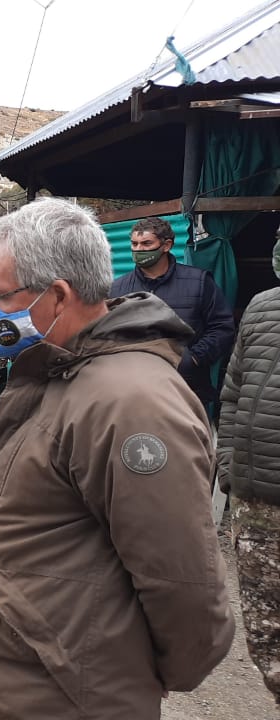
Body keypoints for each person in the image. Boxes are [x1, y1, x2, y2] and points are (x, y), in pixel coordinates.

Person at [0, 198, 234, 719]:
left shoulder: (130, 402)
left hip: (72, 695)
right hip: (33, 687)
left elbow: (182, 582)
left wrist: (131, 674)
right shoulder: (57, 372)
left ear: (58, 295)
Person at [216, 234, 280, 707]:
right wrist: (228, 464)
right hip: (255, 499)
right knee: (266, 631)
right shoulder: (261, 307)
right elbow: (234, 391)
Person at [110, 216, 234, 415]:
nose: (139, 249)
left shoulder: (198, 282)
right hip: (133, 392)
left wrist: (193, 358)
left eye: (146, 243)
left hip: (186, 390)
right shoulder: (118, 288)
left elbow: (222, 328)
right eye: (134, 244)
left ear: (166, 245)